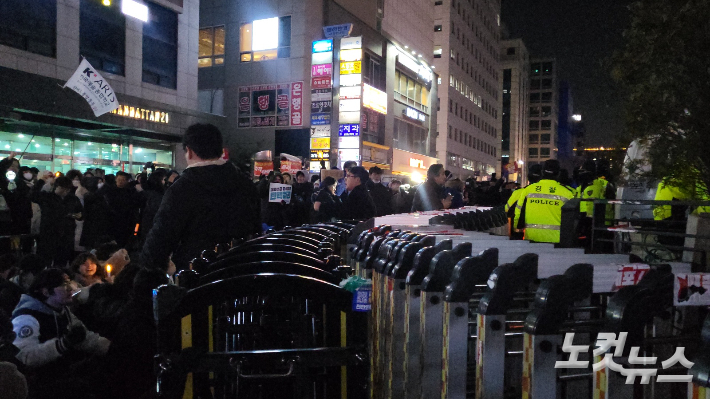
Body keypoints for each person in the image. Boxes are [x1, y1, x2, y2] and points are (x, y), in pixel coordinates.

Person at [140, 123, 260, 272]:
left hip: (196, 277)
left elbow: (159, 242)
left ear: (189, 151)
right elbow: (255, 229)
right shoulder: (245, 185)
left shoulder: (182, 189)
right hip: (240, 273)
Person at [12, 269, 110, 399]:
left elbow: (85, 338)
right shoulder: (27, 317)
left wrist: (112, 348)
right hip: (39, 386)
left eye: (69, 283)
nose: (70, 288)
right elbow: (25, 357)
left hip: (62, 374)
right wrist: (62, 344)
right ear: (46, 292)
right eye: (63, 285)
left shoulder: (63, 311)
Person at [514, 159, 576, 243]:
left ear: (542, 172)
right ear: (558, 174)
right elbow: (571, 220)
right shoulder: (567, 193)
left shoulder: (528, 190)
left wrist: (517, 230)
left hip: (531, 238)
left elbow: (518, 213)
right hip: (556, 241)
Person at [32, 176, 83, 267]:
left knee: (61, 262)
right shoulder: (47, 197)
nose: (65, 191)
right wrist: (41, 181)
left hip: (66, 235)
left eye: (67, 189)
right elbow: (32, 195)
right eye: (63, 188)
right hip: (48, 234)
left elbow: (81, 212)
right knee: (44, 261)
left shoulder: (72, 199)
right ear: (56, 187)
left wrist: (79, 216)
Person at [104, 171, 139, 248]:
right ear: (115, 179)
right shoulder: (109, 191)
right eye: (119, 179)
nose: (120, 181)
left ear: (127, 181)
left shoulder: (130, 192)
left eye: (123, 180)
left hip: (127, 222)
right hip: (113, 221)